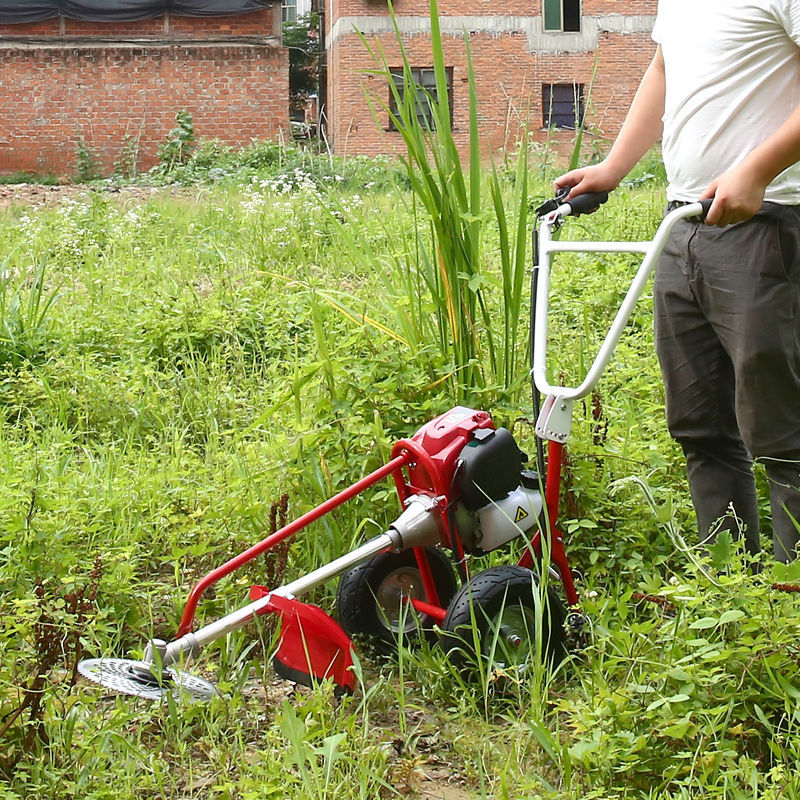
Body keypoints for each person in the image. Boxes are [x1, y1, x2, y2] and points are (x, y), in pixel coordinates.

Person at [554, 1, 800, 562]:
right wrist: (614, 167)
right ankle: (729, 576)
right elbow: (665, 67)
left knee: (782, 427)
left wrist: (757, 170)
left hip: (766, 222)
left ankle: (791, 590)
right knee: (700, 422)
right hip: (683, 222)